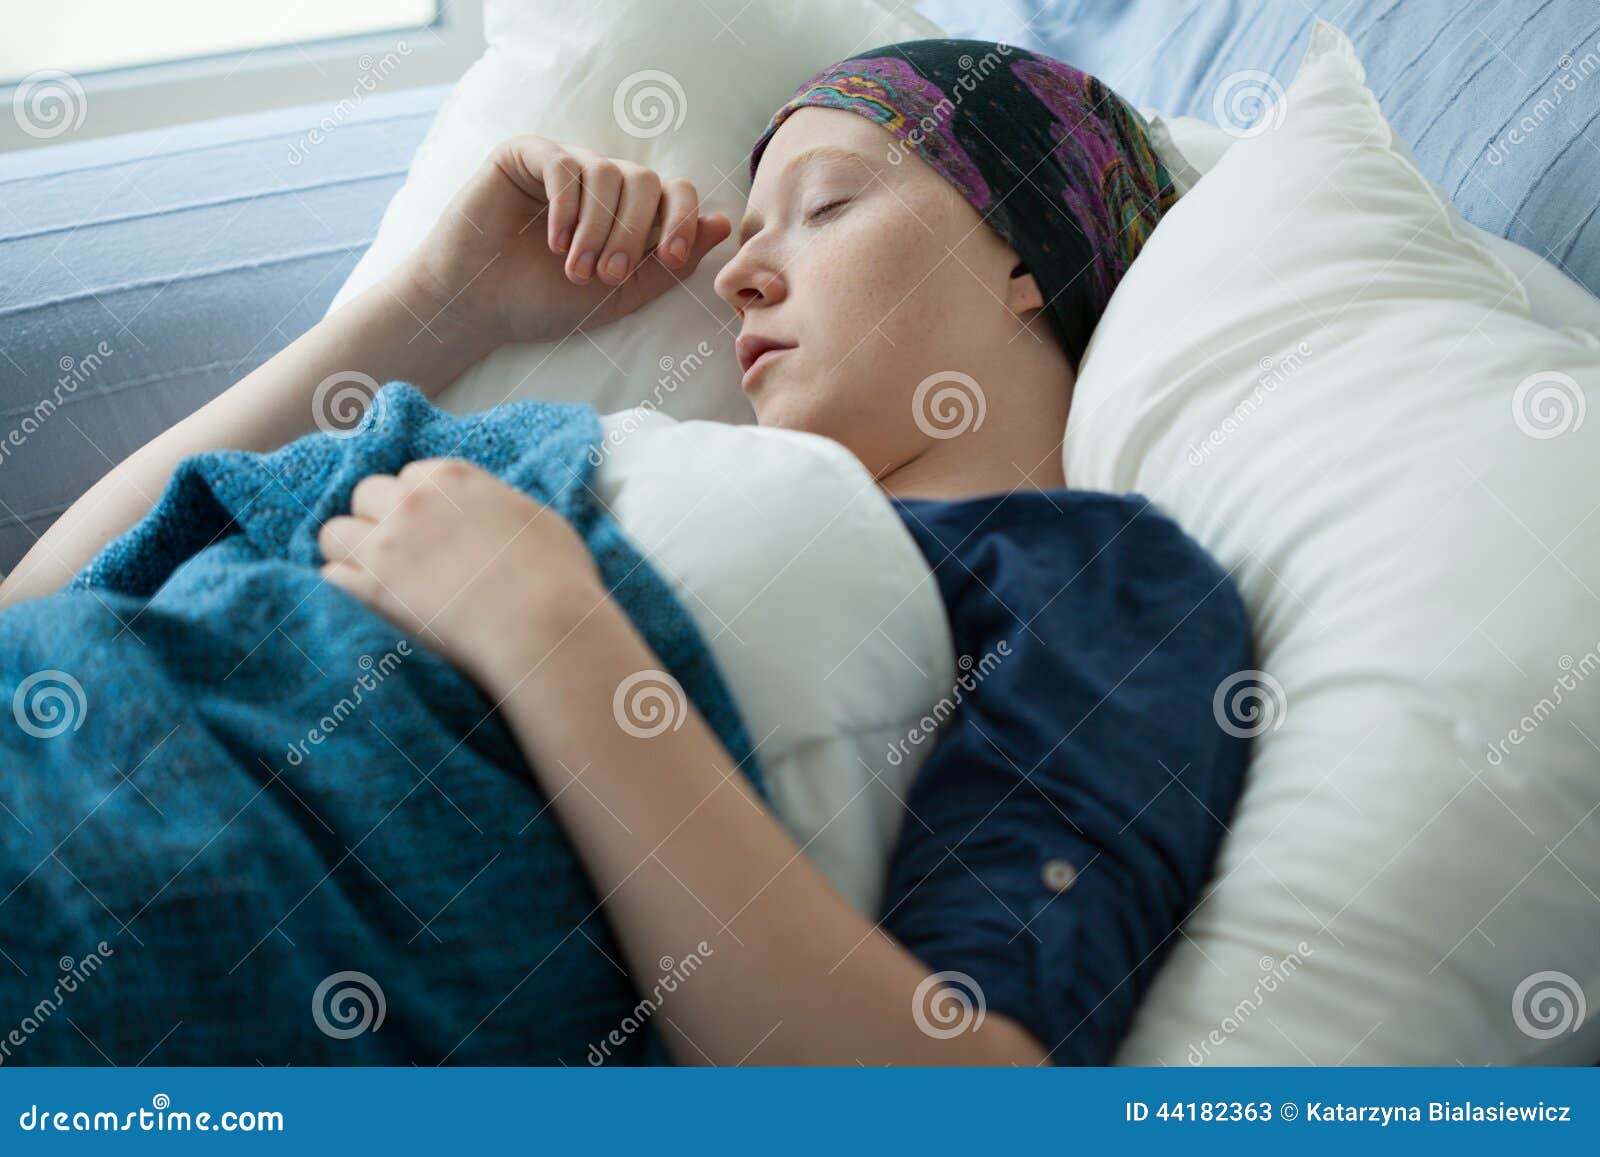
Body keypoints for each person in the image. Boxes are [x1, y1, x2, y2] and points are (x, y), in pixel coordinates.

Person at [0, 40, 1250, 1064]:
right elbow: (40, 606)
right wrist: (439, 305)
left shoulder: (1101, 577)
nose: (739, 274)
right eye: (744, 230)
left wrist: (547, 634)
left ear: (1029, 255)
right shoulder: (603, 450)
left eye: (825, 206)